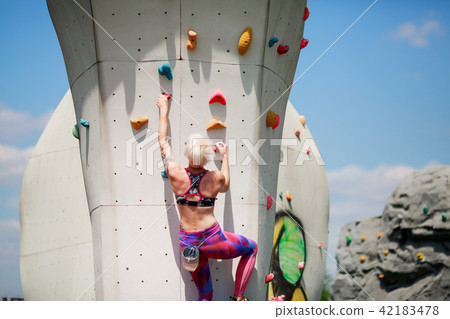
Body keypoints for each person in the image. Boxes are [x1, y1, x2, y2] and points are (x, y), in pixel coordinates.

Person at [156, 94, 257, 301]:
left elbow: (162, 141)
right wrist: (225, 156)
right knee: (251, 247)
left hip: (189, 245)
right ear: (206, 156)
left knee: (205, 295)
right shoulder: (215, 178)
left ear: (186, 153)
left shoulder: (174, 173)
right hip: (213, 240)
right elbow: (227, 185)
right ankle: (238, 298)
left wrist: (163, 108)